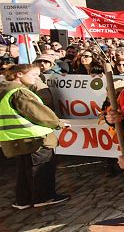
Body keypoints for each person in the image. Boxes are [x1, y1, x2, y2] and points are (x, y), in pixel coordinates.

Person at [1, 64, 70, 209]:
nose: (36, 78)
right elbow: (36, 112)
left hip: (15, 138)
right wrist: (58, 123)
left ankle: (23, 200)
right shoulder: (19, 92)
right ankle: (43, 197)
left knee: (23, 170)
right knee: (40, 169)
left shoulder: (4, 89)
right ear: (19, 74)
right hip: (34, 138)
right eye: (33, 75)